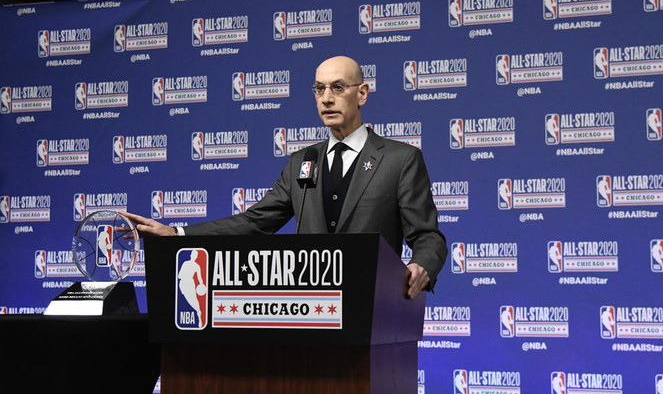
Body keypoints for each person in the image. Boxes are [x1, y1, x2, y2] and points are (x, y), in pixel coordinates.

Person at [122, 56, 447, 299]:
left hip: (373, 305)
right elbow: (255, 222)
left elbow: (428, 236)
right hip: (309, 305)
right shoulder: (301, 162)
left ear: (361, 94)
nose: (326, 98)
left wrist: (421, 267)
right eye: (319, 89)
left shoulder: (400, 159)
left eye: (338, 88)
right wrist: (177, 234)